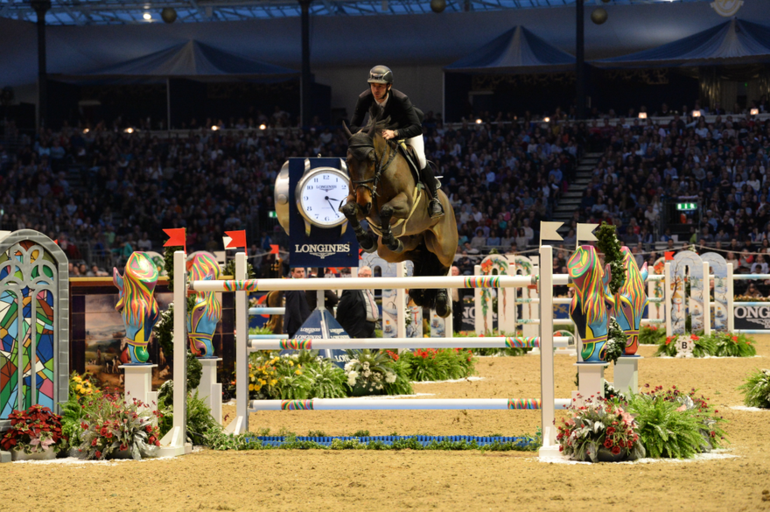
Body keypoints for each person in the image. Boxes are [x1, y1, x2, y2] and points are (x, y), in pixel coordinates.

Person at [350, 65, 444, 218]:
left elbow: (416, 128)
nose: (376, 89)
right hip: (379, 133)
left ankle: (434, 199)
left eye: (380, 86)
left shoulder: (401, 99)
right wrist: (362, 132)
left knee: (420, 158)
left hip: (406, 130)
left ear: (389, 86)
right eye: (373, 85)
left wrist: (396, 133)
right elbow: (353, 125)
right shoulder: (364, 98)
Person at [336, 266, 379, 338]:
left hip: (371, 328)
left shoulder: (368, 290)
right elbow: (341, 309)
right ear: (359, 276)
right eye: (365, 275)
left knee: (375, 348)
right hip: (358, 328)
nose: (368, 277)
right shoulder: (352, 289)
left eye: (370, 275)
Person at [283, 267, 311, 338]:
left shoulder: (303, 284)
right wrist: (301, 327)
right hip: (296, 327)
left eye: (302, 271)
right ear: (292, 273)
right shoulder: (292, 286)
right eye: (298, 272)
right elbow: (294, 310)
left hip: (302, 325)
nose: (301, 274)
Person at [451, 266, 463, 334]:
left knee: (458, 318)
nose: (454, 272)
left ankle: (458, 332)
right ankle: (451, 332)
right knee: (449, 319)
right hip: (450, 302)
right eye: (452, 270)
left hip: (458, 302)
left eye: (455, 270)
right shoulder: (446, 279)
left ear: (458, 272)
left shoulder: (461, 279)